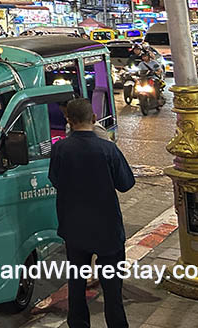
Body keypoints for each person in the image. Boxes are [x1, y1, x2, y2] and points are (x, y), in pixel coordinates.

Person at [49, 99, 135, 328]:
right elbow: (126, 183)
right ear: (94, 119)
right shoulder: (107, 149)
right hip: (107, 229)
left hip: (74, 228)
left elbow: (55, 180)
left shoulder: (60, 149)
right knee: (112, 288)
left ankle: (78, 324)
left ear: (69, 121)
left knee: (76, 283)